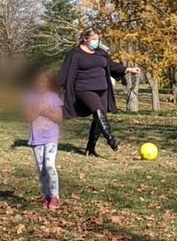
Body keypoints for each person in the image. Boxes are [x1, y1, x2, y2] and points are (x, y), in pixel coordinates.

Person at [57, 28, 140, 156]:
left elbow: (111, 66)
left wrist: (128, 69)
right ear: (85, 39)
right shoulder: (75, 54)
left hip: (103, 89)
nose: (96, 42)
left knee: (99, 118)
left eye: (97, 39)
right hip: (84, 88)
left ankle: (90, 148)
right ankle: (111, 139)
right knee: (98, 111)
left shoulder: (100, 53)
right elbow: (65, 73)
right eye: (94, 39)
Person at [25, 69, 64, 210]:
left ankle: (55, 196)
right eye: (38, 82)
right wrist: (38, 109)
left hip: (51, 138)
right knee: (41, 170)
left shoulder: (54, 97)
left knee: (49, 166)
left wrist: (45, 111)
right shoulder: (30, 97)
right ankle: (46, 196)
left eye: (44, 82)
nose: (40, 84)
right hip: (36, 138)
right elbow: (28, 116)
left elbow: (59, 118)